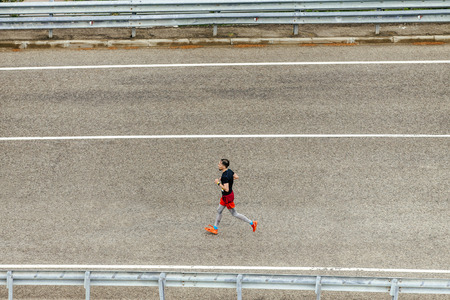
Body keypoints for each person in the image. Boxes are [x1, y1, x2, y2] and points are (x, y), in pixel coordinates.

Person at [205, 159, 257, 235]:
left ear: (223, 166)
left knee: (234, 214)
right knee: (219, 210)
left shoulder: (224, 176)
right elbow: (236, 176)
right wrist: (228, 180)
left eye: (219, 164)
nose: (218, 165)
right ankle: (215, 228)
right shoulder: (229, 171)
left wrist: (218, 183)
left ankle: (252, 223)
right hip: (227, 196)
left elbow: (226, 189)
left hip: (227, 197)